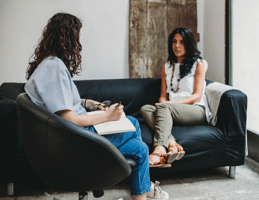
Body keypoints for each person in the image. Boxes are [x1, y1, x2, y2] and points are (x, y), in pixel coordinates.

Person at [24, 13, 168, 200]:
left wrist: (87, 103)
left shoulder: (47, 65)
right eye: (78, 36)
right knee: (132, 122)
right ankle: (140, 183)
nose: (78, 42)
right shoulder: (54, 67)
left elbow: (60, 102)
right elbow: (69, 119)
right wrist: (108, 117)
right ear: (67, 36)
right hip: (76, 140)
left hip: (72, 136)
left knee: (140, 148)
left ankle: (143, 184)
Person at [140, 27, 211, 167]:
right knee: (145, 109)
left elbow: (197, 96)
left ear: (189, 44)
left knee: (163, 107)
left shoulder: (199, 64)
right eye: (174, 41)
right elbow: (162, 96)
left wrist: (170, 105)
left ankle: (160, 149)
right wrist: (164, 105)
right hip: (170, 110)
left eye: (181, 42)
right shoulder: (167, 67)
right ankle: (173, 144)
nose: (177, 46)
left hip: (195, 110)